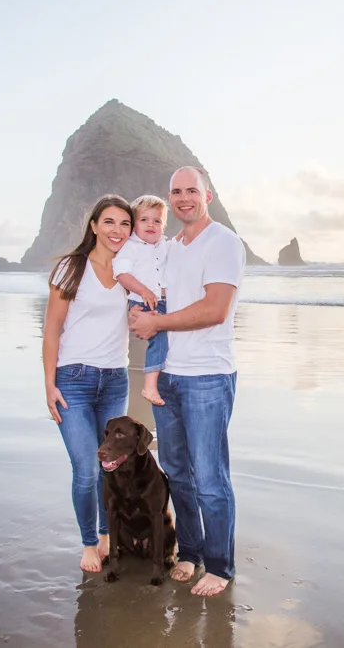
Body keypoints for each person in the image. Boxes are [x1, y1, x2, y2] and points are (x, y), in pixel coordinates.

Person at [129, 166, 246, 596]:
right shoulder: (169, 247)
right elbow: (152, 299)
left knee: (210, 477)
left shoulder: (224, 243)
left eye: (191, 191)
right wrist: (139, 317)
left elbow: (215, 309)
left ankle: (219, 565)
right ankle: (191, 553)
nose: (183, 199)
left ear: (207, 196)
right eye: (175, 192)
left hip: (208, 377)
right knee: (177, 471)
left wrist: (156, 321)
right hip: (169, 379)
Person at [42, 194, 134, 573]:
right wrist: (49, 385)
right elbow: (51, 330)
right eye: (109, 222)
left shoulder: (132, 268)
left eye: (125, 224)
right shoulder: (72, 267)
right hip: (74, 381)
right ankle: (88, 544)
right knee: (86, 468)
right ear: (94, 225)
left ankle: (108, 535)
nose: (117, 230)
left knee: (110, 466)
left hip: (115, 379)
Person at [112, 195, 171, 406]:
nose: (150, 225)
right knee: (160, 336)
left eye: (157, 221)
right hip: (141, 301)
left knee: (169, 337)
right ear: (134, 224)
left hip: (162, 301)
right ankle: (149, 384)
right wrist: (143, 290)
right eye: (144, 220)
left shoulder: (166, 245)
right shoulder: (131, 247)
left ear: (164, 225)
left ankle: (160, 377)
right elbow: (121, 274)